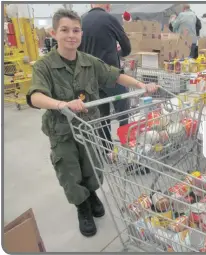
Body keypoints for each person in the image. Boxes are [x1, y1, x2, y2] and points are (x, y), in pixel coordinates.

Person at [26, 9, 158, 237]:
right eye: (65, 30)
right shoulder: (44, 66)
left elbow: (115, 74)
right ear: (53, 33)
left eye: (76, 30)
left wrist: (140, 85)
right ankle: (82, 207)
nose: (71, 35)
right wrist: (61, 104)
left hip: (89, 128)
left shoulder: (89, 62)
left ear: (81, 34)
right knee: (70, 172)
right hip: (63, 133)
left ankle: (93, 194)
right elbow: (35, 96)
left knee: (92, 167)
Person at [78, 4, 131, 160]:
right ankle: (128, 150)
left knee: (102, 115)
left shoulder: (81, 21)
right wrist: (118, 53)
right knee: (123, 112)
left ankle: (107, 151)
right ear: (108, 6)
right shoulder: (110, 19)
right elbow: (127, 48)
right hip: (111, 75)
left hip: (90, 78)